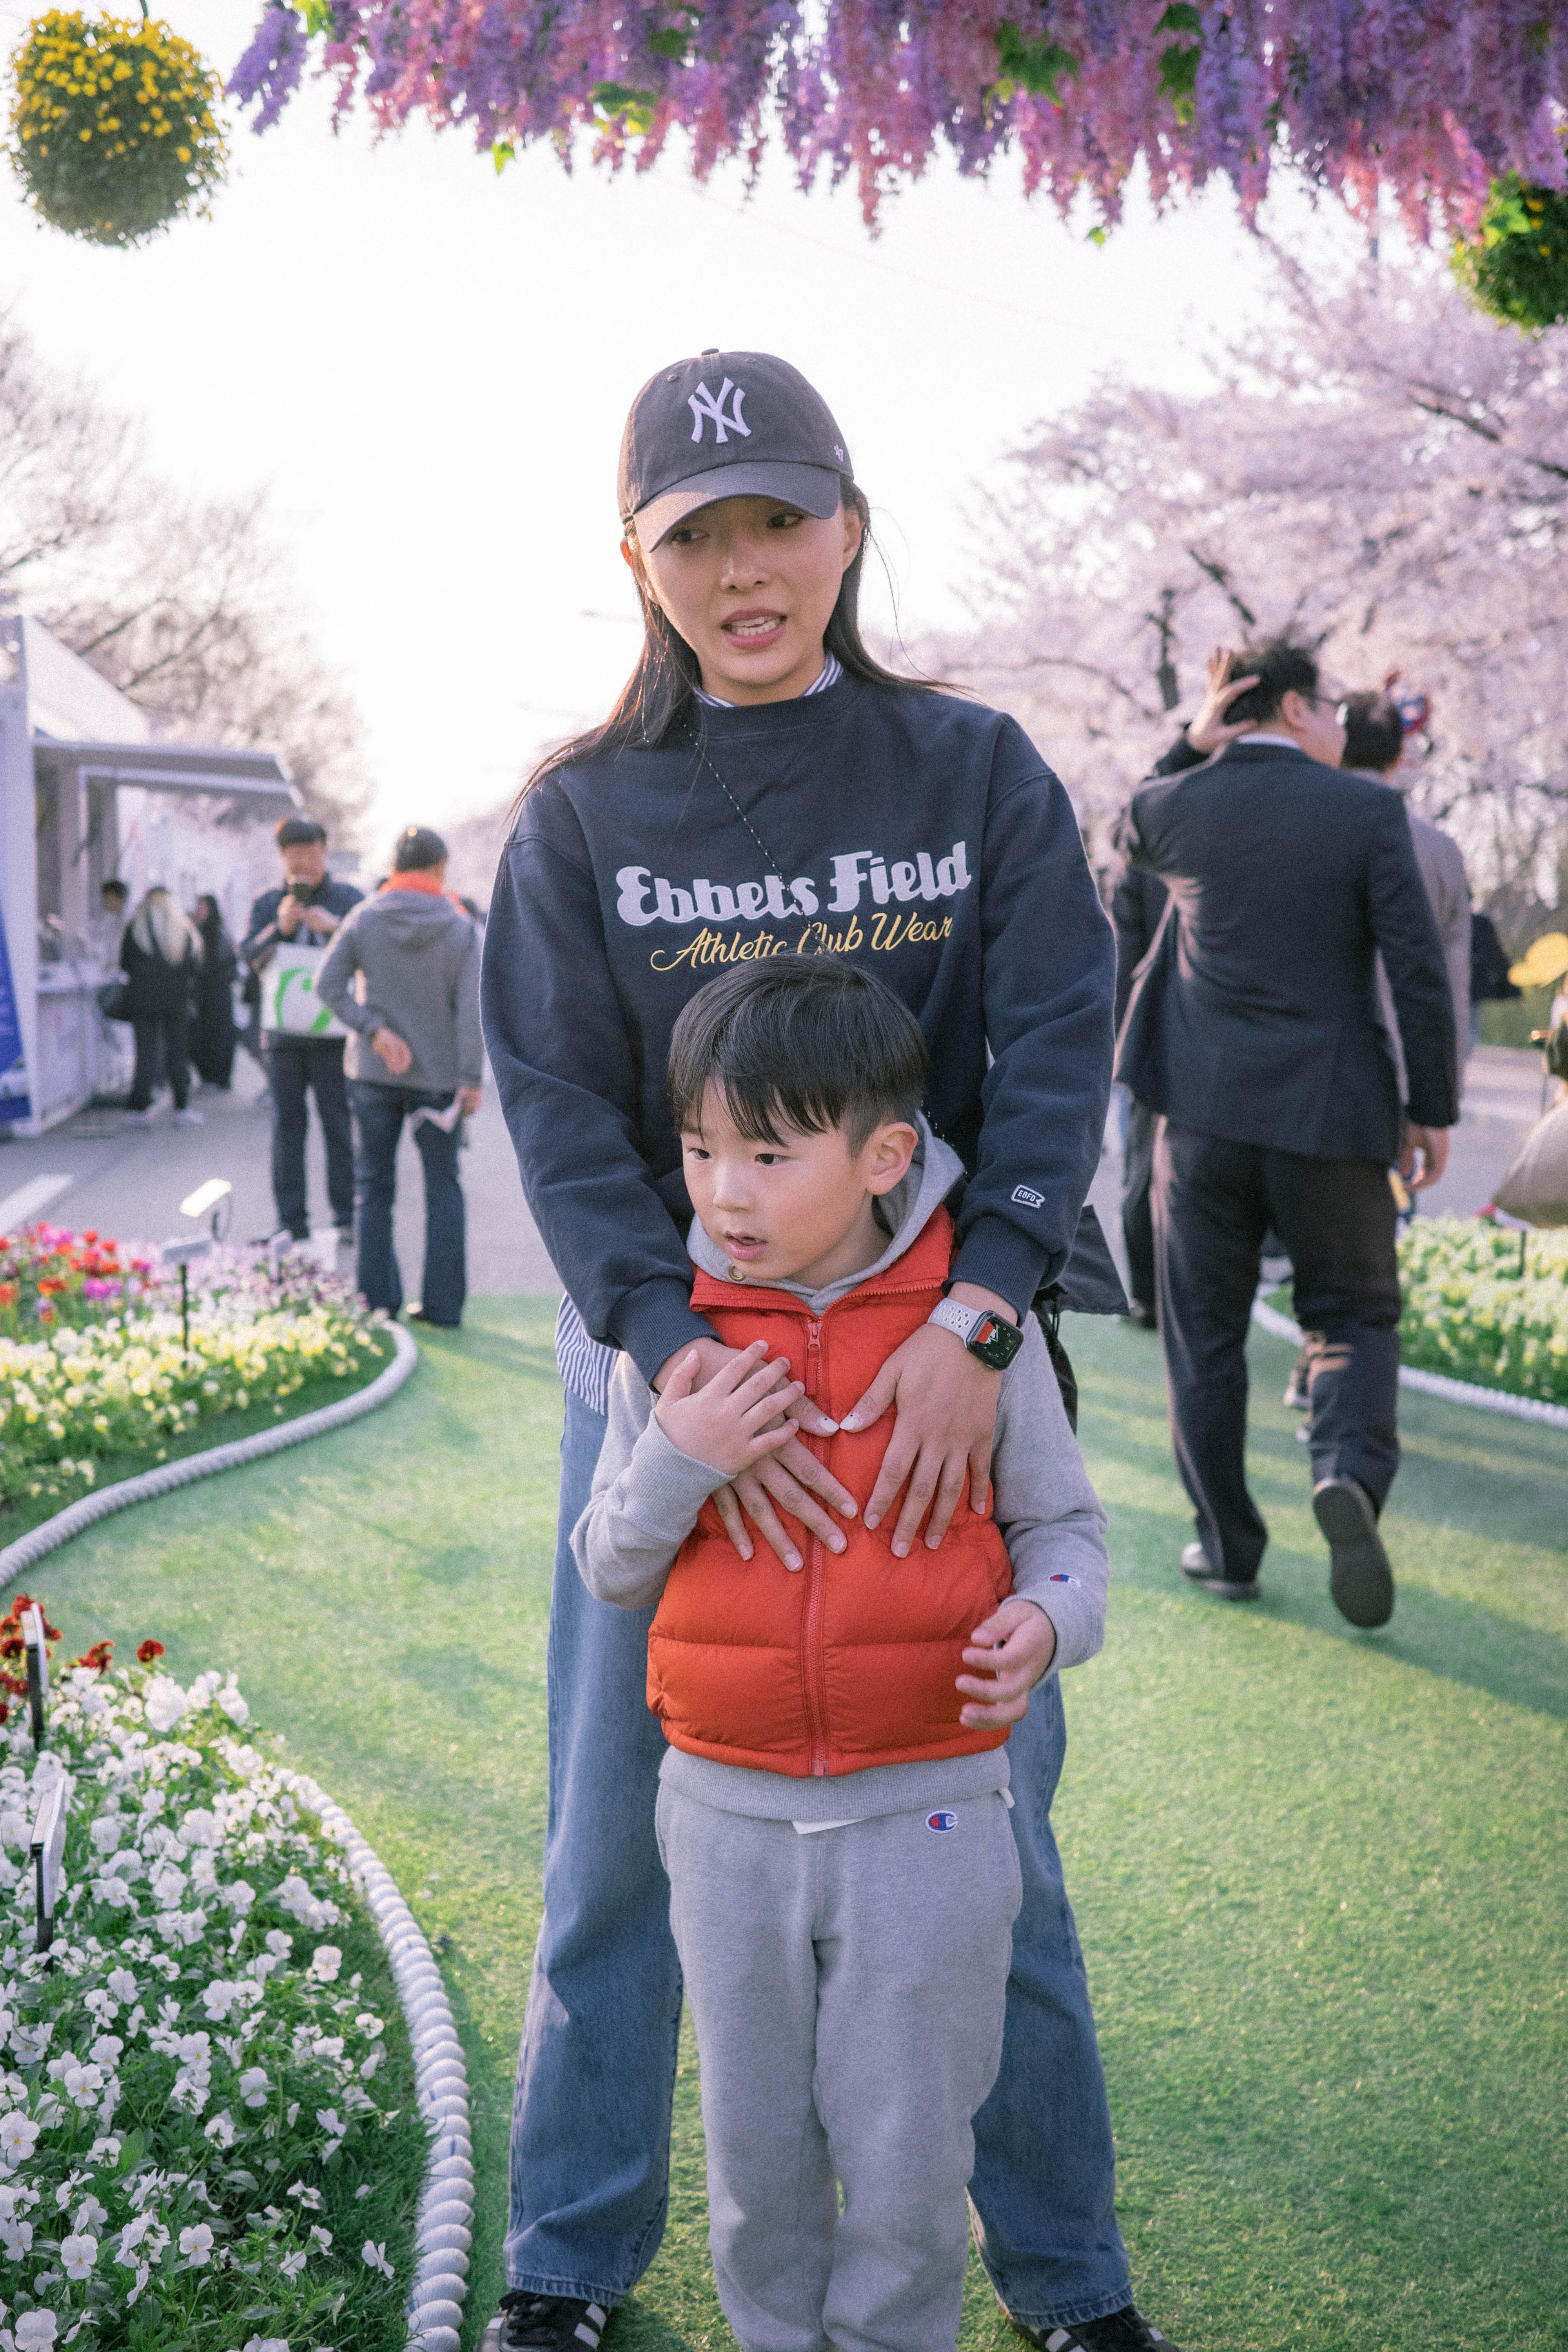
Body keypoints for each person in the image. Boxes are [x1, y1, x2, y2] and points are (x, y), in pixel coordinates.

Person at [481, 348, 1174, 2352]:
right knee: (614, 1830)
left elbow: (1055, 1048)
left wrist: (982, 1312)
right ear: (635, 557)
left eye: (778, 520)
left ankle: (1067, 2280)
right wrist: (676, 1366)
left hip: (936, 1373)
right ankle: (564, 2259)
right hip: (673, 1389)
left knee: (982, 1832)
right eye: (695, 533)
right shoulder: (579, 814)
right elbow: (559, 1115)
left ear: (847, 530)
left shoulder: (969, 768)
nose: (744, 569)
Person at [576, 958, 1108, 2352]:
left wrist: (1046, 1621)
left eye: (767, 1153)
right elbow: (608, 1563)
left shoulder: (977, 1340)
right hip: (722, 1816)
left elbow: (1066, 1536)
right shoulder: (673, 1346)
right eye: (700, 1149)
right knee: (756, 2167)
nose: (723, 1193)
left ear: (885, 1157)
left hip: (931, 1817)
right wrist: (681, 1457)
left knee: (909, 2159)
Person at [1116, 642, 1458, 1629]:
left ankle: (1226, 1549)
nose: (1343, 724)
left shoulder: (1178, 806)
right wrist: (1430, 1109)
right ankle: (1344, 1467)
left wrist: (1188, 745)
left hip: (1201, 1120)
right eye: (1332, 705)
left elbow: (1127, 824)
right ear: (1298, 708)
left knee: (1202, 1337)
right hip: (1333, 1115)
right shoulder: (1366, 812)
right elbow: (1417, 971)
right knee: (1352, 1312)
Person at [317, 826, 483, 1328]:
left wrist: (374, 1031)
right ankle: (443, 1307)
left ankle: (376, 1302)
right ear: (439, 868)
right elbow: (470, 1012)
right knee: (443, 1187)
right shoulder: (460, 929)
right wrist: (470, 1078)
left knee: (373, 1187)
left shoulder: (364, 918)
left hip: (373, 1076)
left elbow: (327, 985)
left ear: (394, 868)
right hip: (439, 1081)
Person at [1340, 691, 1471, 1095]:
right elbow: (1452, 977)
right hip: (1402, 1071)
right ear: (1399, 757)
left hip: (1319, 1072)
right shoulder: (1441, 850)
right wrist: (1443, 1091)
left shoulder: (1302, 830)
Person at [241, 817, 362, 1247]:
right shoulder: (268, 902)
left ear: (325, 852)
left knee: (338, 1125)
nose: (304, 863)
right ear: (282, 858)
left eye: (310, 854)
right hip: (283, 1036)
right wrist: (281, 928)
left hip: (336, 1035)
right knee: (287, 1128)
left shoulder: (349, 900)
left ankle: (347, 1216)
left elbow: (371, 952)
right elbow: (248, 956)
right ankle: (291, 1221)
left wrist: (337, 928)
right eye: (294, 856)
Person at [1108, 860, 1168, 1325]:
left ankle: (1148, 1295)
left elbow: (1126, 958)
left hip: (1160, 1036)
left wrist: (1121, 1042)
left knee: (1144, 1170)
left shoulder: (1147, 848)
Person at [119, 886, 203, 1127]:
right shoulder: (182, 926)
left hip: (142, 999)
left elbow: (125, 963)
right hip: (176, 998)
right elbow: (194, 963)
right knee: (178, 1052)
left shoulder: (136, 926)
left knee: (145, 1052)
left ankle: (140, 1108)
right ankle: (182, 1107)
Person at [190, 894, 240, 1091]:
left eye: (203, 907)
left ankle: (220, 1076)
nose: (199, 911)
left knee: (220, 1035)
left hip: (218, 993)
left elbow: (228, 960)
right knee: (202, 1035)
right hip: (202, 994)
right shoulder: (196, 931)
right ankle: (208, 1076)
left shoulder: (219, 932)